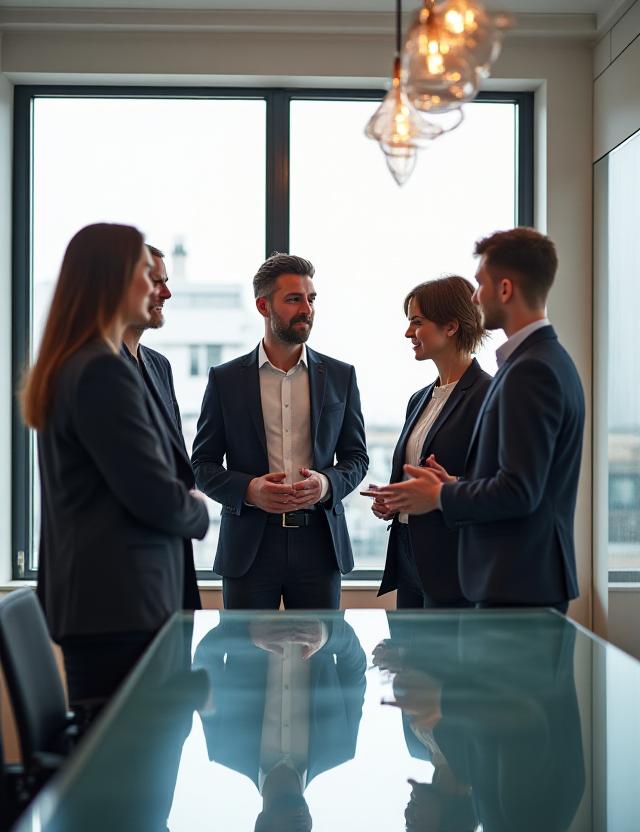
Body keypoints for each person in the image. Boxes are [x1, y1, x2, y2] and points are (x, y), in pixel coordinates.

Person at [21, 223, 209, 711]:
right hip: (121, 609)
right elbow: (153, 496)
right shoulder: (101, 369)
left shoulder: (79, 362)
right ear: (111, 280)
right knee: (130, 781)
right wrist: (197, 509)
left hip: (113, 607)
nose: (155, 287)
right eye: (145, 274)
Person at [372, 228, 585, 613]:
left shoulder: (530, 370)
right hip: (517, 578)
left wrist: (439, 495)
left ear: (505, 289)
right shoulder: (540, 361)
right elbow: (518, 479)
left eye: (479, 284)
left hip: (517, 581)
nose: (474, 297)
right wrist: (447, 484)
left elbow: (519, 491)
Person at [192, 253, 368, 610]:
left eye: (311, 299)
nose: (307, 309)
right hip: (249, 548)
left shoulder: (340, 376)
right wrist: (249, 490)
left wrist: (327, 484)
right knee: (244, 664)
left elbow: (357, 458)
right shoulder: (225, 380)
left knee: (319, 663)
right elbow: (203, 465)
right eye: (293, 299)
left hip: (320, 545)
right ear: (263, 306)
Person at [373, 276, 491, 608]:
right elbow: (416, 478)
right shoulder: (419, 399)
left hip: (453, 563)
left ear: (451, 326)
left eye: (417, 322)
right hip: (408, 554)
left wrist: (445, 487)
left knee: (440, 661)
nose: (408, 333)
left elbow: (496, 486)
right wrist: (394, 499)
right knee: (407, 659)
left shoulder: (489, 396)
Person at [193, 612, 366, 832]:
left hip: (250, 603)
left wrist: (248, 634)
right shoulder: (340, 747)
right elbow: (355, 667)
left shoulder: (224, 746)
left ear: (261, 824)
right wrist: (327, 634)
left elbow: (205, 659)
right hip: (317, 601)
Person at [121, 244, 201, 611]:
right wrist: (195, 507)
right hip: (122, 583)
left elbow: (176, 462)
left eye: (166, 282)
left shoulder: (159, 365)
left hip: (168, 568)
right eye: (155, 281)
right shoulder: (99, 370)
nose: (166, 293)